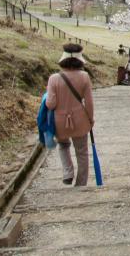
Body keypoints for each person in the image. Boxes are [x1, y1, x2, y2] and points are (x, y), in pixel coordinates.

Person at [45, 43, 94, 186]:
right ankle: (81, 183)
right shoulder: (84, 77)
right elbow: (89, 103)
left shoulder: (54, 78)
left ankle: (68, 172)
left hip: (59, 122)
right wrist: (90, 120)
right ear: (80, 59)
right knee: (82, 152)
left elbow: (50, 104)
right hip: (80, 120)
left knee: (63, 145)